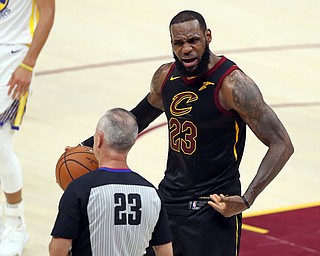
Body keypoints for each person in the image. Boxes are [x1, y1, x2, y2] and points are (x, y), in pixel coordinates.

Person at [80, 10, 294, 256]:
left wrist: (247, 199)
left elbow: (282, 143)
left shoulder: (233, 85)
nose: (186, 49)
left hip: (214, 207)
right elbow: (137, 118)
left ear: (208, 36)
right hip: (168, 201)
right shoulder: (165, 77)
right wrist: (85, 146)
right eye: (178, 43)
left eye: (193, 40)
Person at [50, 108, 173, 256]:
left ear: (99, 139)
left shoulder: (79, 189)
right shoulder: (152, 193)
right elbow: (165, 252)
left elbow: (58, 250)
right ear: (131, 142)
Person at [0, 0, 55, 254]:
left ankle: (15, 223)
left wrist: (28, 63)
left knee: (0, 143)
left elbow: (47, 12)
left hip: (13, 57)